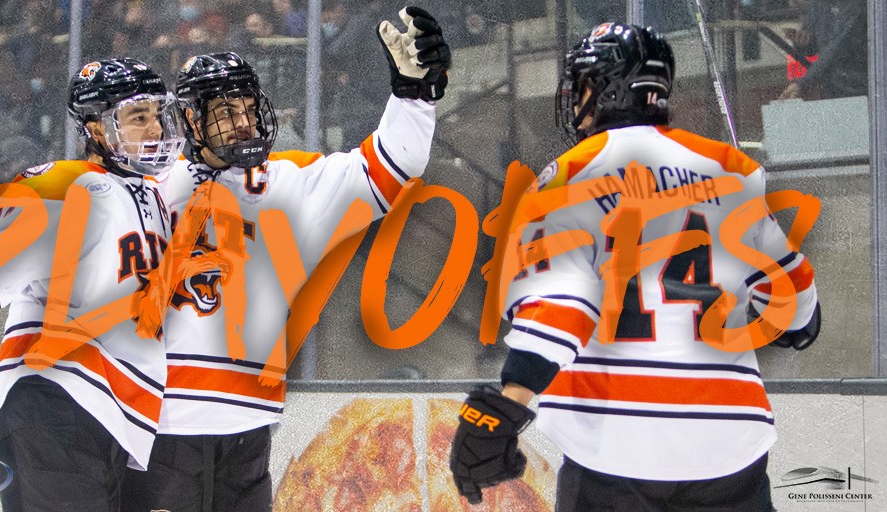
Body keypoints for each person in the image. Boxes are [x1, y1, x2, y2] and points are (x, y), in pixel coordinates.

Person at [449, 23, 821, 511]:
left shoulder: (569, 176)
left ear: (608, 90)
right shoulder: (731, 169)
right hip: (730, 444)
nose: (576, 99)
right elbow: (797, 309)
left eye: (582, 85)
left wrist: (506, 407)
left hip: (615, 448)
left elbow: (560, 307)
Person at [119, 7, 450, 511]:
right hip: (158, 423)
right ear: (190, 120)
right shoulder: (145, 190)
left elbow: (389, 165)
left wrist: (413, 97)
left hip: (249, 423)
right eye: (226, 113)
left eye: (248, 108)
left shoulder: (288, 183)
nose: (244, 121)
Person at [0, 58, 185, 511]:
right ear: (97, 130)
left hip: (117, 420)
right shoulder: (69, 184)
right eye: (138, 117)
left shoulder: (154, 200)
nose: (155, 127)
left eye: (158, 114)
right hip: (56, 402)